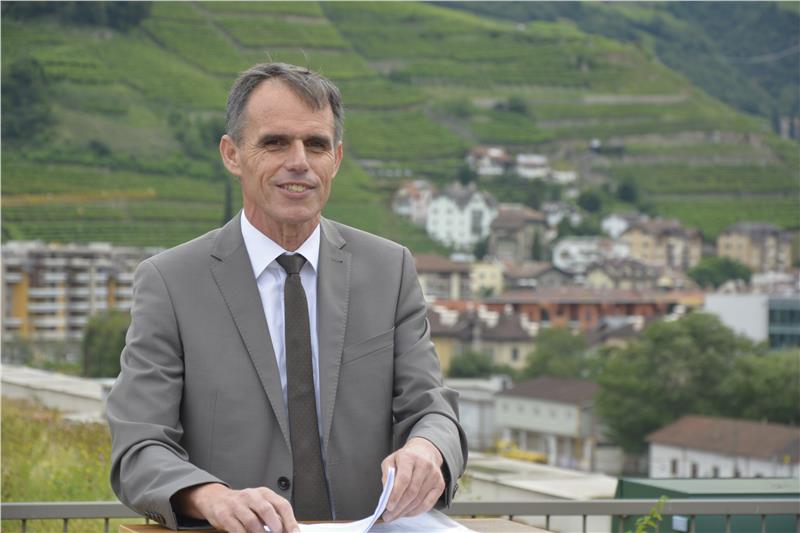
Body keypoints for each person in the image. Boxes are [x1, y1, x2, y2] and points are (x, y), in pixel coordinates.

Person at [106, 62, 467, 533]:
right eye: (275, 142)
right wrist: (211, 497)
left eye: (316, 144)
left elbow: (432, 408)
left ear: (336, 158)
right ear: (232, 154)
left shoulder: (390, 270)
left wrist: (427, 449)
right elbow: (138, 447)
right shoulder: (170, 283)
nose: (299, 161)